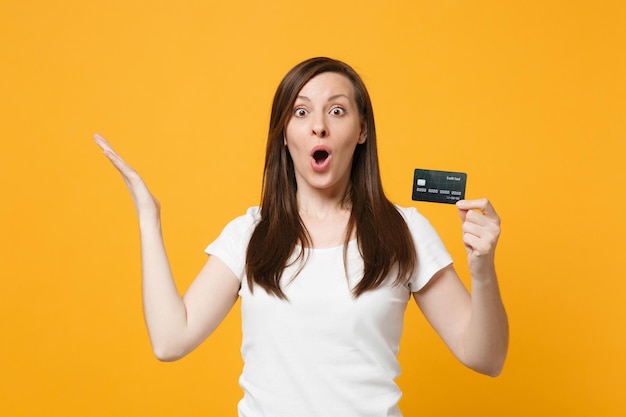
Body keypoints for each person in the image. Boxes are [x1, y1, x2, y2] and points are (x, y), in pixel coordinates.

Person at [94, 57, 508, 417]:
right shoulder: (250, 235)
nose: (320, 127)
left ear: (362, 131)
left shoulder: (404, 231)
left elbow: (486, 358)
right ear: (284, 134)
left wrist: (483, 271)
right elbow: (170, 340)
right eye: (301, 112)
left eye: (338, 111)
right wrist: (149, 217)